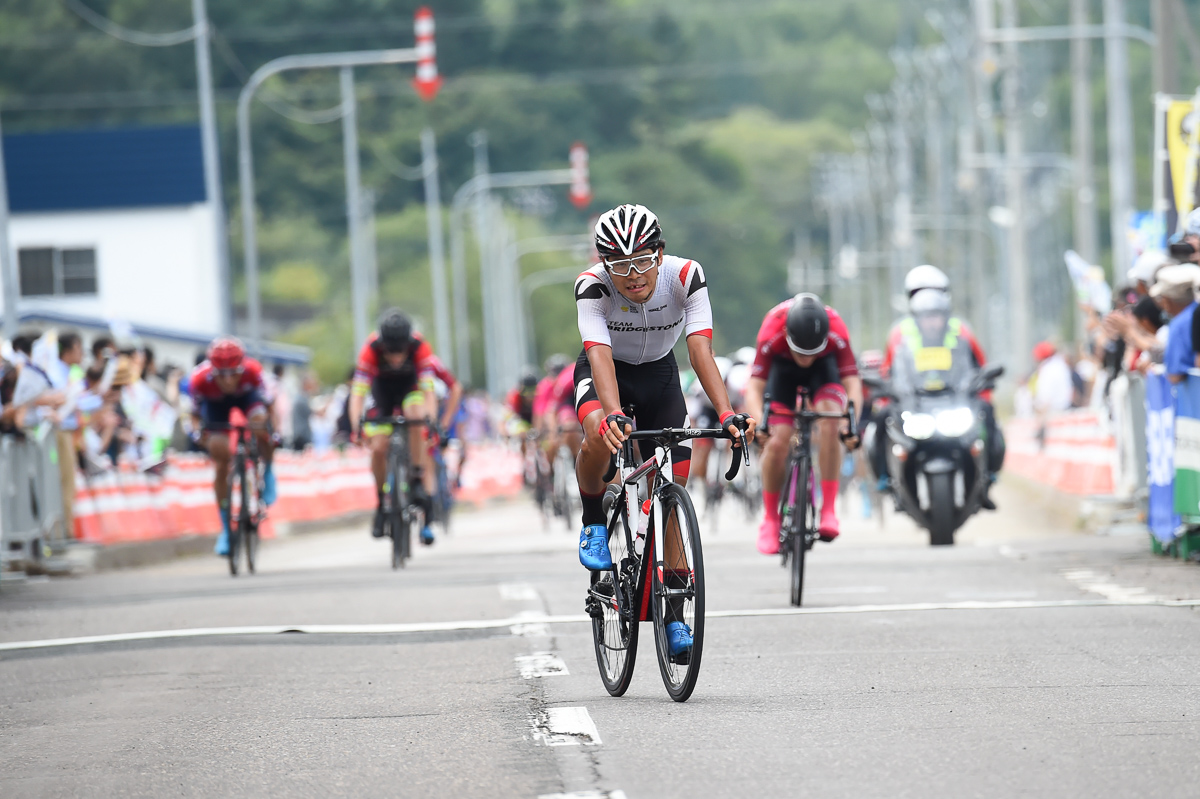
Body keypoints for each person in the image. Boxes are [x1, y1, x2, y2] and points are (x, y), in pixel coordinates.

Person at [573, 203, 753, 659]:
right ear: (602, 262)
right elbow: (597, 354)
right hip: (606, 372)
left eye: (641, 261)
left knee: (671, 495)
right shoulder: (592, 287)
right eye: (618, 265)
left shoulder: (686, 277)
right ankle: (594, 518)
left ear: (660, 253)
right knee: (600, 430)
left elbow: (700, 351)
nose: (632, 276)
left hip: (660, 378)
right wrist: (613, 415)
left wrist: (727, 414)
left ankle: (673, 615)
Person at [744, 293, 861, 554]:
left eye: (811, 352)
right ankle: (771, 519)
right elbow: (754, 387)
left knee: (831, 420)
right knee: (777, 438)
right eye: (801, 352)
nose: (806, 358)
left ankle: (828, 509)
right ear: (787, 333)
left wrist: (850, 425)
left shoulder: (837, 328)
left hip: (825, 371)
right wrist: (761, 425)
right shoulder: (772, 326)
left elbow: (852, 383)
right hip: (781, 373)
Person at [880, 268, 1001, 506]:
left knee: (989, 416)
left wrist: (983, 391)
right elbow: (888, 371)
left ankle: (988, 477)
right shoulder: (899, 334)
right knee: (881, 421)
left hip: (956, 401)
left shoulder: (962, 330)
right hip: (914, 404)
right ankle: (887, 479)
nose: (929, 305)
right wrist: (886, 394)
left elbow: (980, 365)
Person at [347, 309, 461, 545]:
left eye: (401, 352)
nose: (397, 358)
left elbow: (429, 391)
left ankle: (418, 476)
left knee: (416, 415)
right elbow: (357, 395)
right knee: (378, 447)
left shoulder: (420, 347)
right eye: (391, 352)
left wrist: (430, 422)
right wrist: (356, 426)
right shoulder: (370, 349)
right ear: (382, 345)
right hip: (382, 393)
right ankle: (381, 502)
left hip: (411, 390)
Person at [189, 337, 277, 556]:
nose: (228, 380)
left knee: (260, 426)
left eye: (233, 373)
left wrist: (270, 431)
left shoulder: (253, 372)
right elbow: (192, 415)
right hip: (215, 405)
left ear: (242, 366)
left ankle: (267, 472)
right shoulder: (199, 379)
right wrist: (198, 433)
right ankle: (227, 529)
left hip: (248, 398)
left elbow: (269, 406)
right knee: (219, 455)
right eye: (222, 374)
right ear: (212, 370)